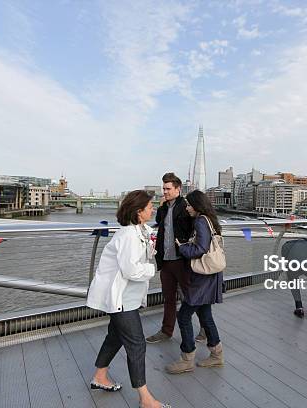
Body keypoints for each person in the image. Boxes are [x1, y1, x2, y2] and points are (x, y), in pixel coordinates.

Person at [86, 190, 169, 408]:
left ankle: (100, 376)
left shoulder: (141, 230)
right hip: (120, 299)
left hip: (129, 298)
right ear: (138, 211)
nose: (153, 209)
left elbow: (154, 239)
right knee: (136, 343)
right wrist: (153, 268)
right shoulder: (128, 236)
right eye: (150, 206)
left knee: (115, 337)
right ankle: (145, 399)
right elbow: (131, 270)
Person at [165, 190, 224, 374]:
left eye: (190, 205)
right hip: (210, 276)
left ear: (197, 205)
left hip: (201, 278)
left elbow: (200, 249)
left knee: (183, 316)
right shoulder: (210, 219)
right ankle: (216, 355)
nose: (188, 208)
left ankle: (187, 358)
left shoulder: (200, 221)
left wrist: (182, 248)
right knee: (205, 316)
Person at [145, 173, 193, 344]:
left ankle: (204, 328)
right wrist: (161, 206)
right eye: (163, 188)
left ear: (178, 189)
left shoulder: (187, 207)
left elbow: (193, 230)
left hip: (182, 259)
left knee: (191, 296)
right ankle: (166, 331)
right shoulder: (164, 207)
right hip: (165, 259)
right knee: (169, 297)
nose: (164, 191)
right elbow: (159, 223)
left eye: (168, 189)